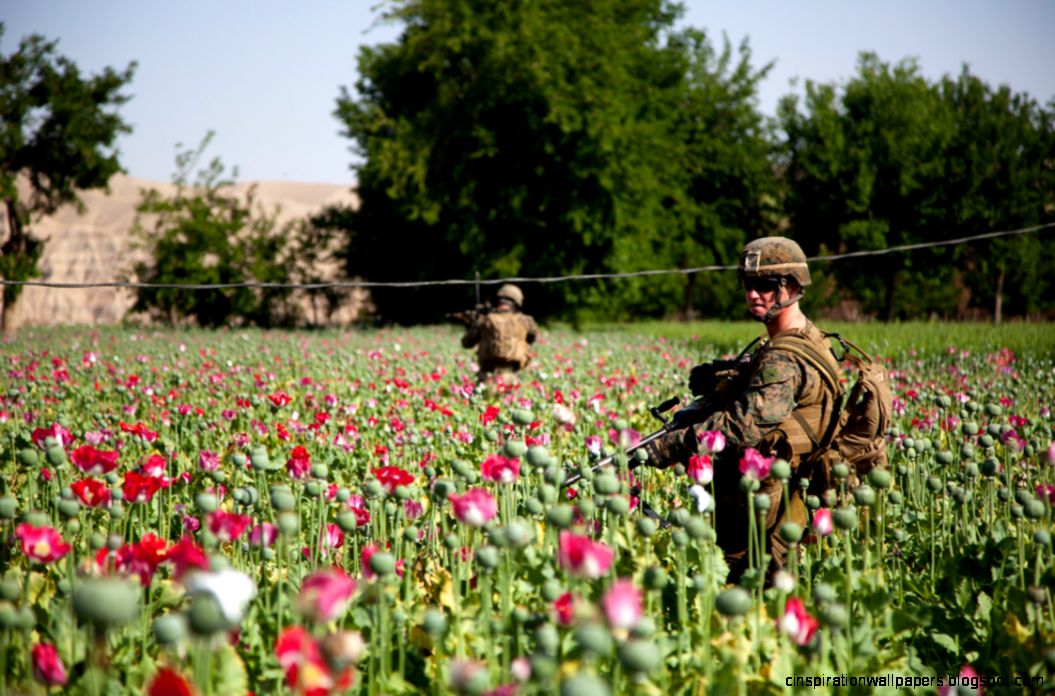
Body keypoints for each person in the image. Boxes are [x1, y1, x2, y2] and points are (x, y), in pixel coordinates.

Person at [644, 237, 844, 583]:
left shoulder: (784, 359)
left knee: (756, 602)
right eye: (748, 284)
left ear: (793, 287)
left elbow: (740, 429)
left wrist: (666, 446)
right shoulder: (808, 338)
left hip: (771, 515)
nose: (753, 294)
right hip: (777, 502)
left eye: (765, 286)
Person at [461, 284, 538, 378]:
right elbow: (531, 339)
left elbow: (466, 343)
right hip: (512, 377)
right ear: (517, 302)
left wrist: (474, 322)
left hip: (487, 376)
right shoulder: (525, 321)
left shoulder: (485, 320)